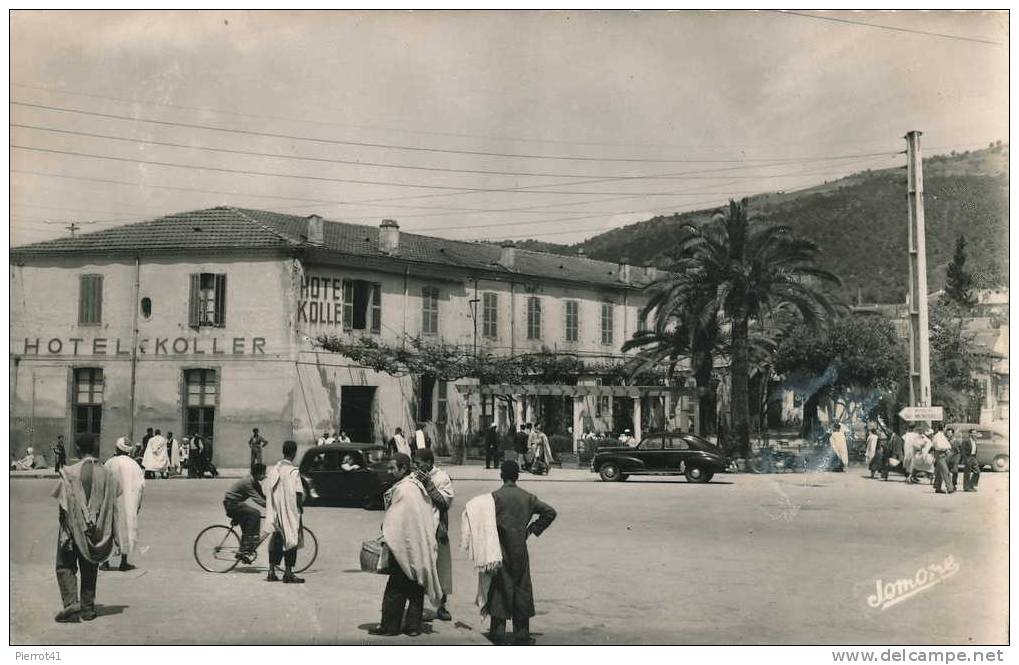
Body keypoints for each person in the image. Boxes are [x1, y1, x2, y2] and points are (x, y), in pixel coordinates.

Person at [369, 453, 442, 638]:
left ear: (403, 468)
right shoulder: (416, 486)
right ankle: (413, 627)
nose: (389, 471)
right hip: (416, 544)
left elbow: (396, 519)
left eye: (393, 468)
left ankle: (390, 627)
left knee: (395, 587)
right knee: (416, 585)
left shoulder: (404, 489)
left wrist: (385, 529)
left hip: (403, 545)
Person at [487, 460, 557, 646]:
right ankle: (522, 634)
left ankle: (498, 633)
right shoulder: (527, 497)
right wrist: (532, 529)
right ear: (517, 476)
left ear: (501, 475)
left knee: (500, 588)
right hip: (520, 549)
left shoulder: (494, 497)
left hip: (499, 549)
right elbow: (550, 512)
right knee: (521, 588)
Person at [53, 436, 118, 623]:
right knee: (90, 565)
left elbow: (63, 503)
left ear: (78, 447)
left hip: (72, 526)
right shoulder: (107, 472)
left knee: (65, 565)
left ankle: (71, 606)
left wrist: (65, 528)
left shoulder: (70, 471)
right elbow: (113, 500)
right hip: (97, 529)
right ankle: (88, 610)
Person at [414, 449, 455, 622]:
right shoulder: (414, 477)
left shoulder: (442, 478)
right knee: (421, 568)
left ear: (429, 462)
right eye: (415, 463)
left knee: (441, 568)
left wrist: (429, 485)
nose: (416, 466)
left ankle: (442, 606)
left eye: (419, 463)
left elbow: (444, 503)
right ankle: (418, 607)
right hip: (420, 528)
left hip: (438, 529)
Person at [263, 440, 304, 583]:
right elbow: (298, 494)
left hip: (275, 509)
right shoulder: (294, 472)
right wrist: (300, 509)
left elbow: (266, 489)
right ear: (294, 453)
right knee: (291, 539)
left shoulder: (274, 469)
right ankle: (288, 573)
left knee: (276, 539)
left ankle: (271, 571)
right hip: (289, 510)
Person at [102, 437, 144, 572]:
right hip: (129, 503)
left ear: (117, 448)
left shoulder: (110, 463)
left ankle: (106, 561)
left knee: (109, 528)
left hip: (111, 501)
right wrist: (138, 504)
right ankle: (124, 562)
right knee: (126, 529)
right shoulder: (134, 465)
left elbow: (102, 482)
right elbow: (141, 486)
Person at [224, 463, 267, 563]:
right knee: (255, 513)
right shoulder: (248, 482)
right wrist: (271, 507)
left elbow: (263, 496)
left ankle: (243, 551)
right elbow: (258, 499)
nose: (265, 476)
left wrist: (274, 502)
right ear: (256, 474)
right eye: (263, 474)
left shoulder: (256, 483)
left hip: (237, 503)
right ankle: (251, 541)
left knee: (247, 525)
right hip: (232, 504)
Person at [931, 425, 955, 494]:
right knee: (945, 471)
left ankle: (937, 487)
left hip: (941, 454)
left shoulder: (938, 436)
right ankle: (950, 488)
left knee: (939, 472)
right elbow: (939, 446)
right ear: (943, 429)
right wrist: (946, 449)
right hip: (940, 454)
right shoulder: (939, 436)